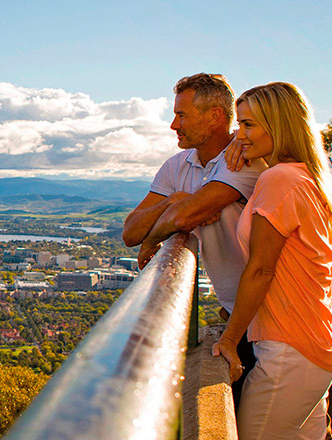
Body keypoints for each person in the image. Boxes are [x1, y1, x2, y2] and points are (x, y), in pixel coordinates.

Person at [212, 82, 332, 439]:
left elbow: (261, 268)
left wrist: (229, 338)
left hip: (287, 351)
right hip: (314, 346)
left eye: (249, 125)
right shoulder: (306, 176)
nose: (238, 135)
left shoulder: (279, 179)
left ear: (280, 124)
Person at [123, 73, 266, 406]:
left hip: (269, 315)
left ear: (215, 117)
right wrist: (172, 201)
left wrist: (157, 234)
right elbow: (130, 231)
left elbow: (185, 218)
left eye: (182, 115)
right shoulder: (178, 165)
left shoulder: (241, 157)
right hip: (239, 315)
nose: (174, 124)